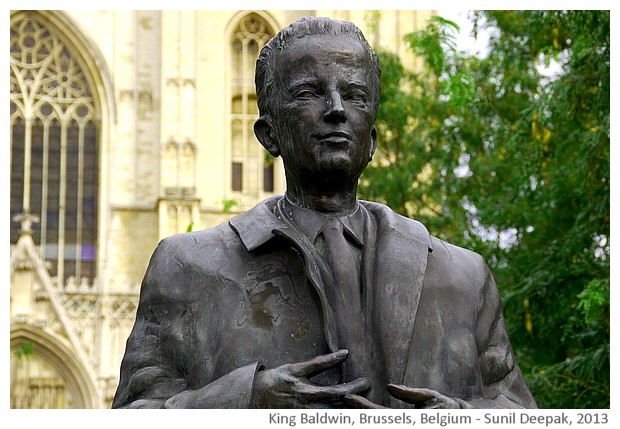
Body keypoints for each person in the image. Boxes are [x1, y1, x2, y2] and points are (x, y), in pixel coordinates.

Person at [112, 16, 537, 409]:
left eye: (354, 95)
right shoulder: (187, 267)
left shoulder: (462, 276)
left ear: (371, 138)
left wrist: (457, 417)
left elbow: (515, 409)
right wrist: (244, 399)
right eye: (308, 93)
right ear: (268, 133)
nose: (336, 108)